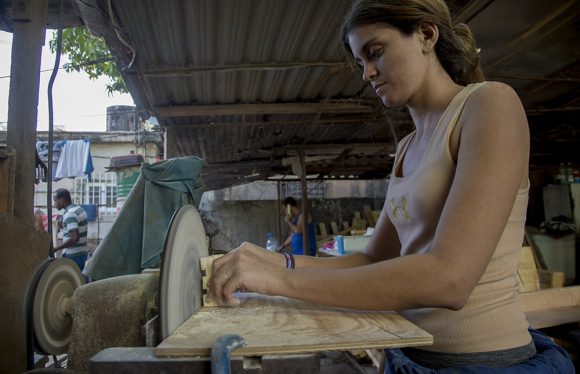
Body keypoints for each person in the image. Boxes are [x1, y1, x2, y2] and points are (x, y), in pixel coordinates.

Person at [207, 1, 574, 372]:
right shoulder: (407, 148)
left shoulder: (488, 105)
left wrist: (282, 280)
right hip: (410, 358)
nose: (366, 72)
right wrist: (278, 260)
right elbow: (373, 260)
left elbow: (450, 279)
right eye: (359, 62)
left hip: (485, 364)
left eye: (375, 52)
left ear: (426, 35)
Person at [53, 188, 89, 271]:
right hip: (82, 253)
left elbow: (74, 238)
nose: (54, 204)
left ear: (62, 200)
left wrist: (56, 248)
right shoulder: (78, 209)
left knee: (69, 281)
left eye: (55, 201)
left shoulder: (69, 214)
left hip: (73, 256)